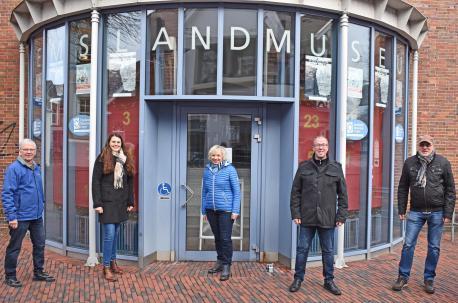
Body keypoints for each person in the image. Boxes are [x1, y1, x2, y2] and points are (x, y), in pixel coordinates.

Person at [392, 135, 455, 294]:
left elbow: (450, 190)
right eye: (422, 145)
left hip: (437, 212)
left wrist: (448, 212)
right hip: (416, 211)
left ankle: (429, 278)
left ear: (432, 146)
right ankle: (403, 277)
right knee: (408, 245)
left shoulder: (443, 163)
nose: (425, 147)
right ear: (418, 146)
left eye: (428, 145)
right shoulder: (410, 163)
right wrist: (401, 209)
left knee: (434, 247)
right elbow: (403, 188)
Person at [289, 136, 348, 295]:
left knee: (328, 250)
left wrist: (341, 215)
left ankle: (329, 280)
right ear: (313, 147)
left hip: (328, 218)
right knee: (302, 250)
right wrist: (296, 213)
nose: (321, 148)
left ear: (327, 148)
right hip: (307, 217)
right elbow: (295, 193)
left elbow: (343, 195)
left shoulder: (336, 167)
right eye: (318, 145)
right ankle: (298, 278)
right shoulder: (304, 167)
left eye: (323, 145)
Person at [2, 139, 55, 288]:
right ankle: (10, 275)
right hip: (20, 217)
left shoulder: (35, 167)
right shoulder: (14, 169)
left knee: (39, 244)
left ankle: (39, 272)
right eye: (26, 149)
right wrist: (11, 216)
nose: (29, 152)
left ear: (35, 151)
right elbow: (7, 194)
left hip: (36, 216)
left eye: (31, 149)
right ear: (20, 151)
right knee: (14, 247)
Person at [92, 133, 135, 281]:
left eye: (118, 142)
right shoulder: (102, 157)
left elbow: (130, 182)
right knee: (109, 234)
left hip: (120, 202)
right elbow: (95, 181)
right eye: (113, 141)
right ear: (109, 143)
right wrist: (97, 203)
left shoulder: (125, 158)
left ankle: (113, 262)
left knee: (115, 234)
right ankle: (106, 268)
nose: (116, 144)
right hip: (107, 202)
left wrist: (130, 202)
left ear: (121, 143)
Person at [201, 145, 241, 281]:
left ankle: (226, 265)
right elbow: (204, 192)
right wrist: (203, 209)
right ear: (210, 156)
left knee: (225, 238)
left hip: (226, 210)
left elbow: (237, 192)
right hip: (211, 210)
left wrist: (235, 210)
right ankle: (219, 261)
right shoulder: (207, 170)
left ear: (223, 156)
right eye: (213, 155)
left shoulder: (230, 170)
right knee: (217, 237)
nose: (216, 158)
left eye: (218, 155)